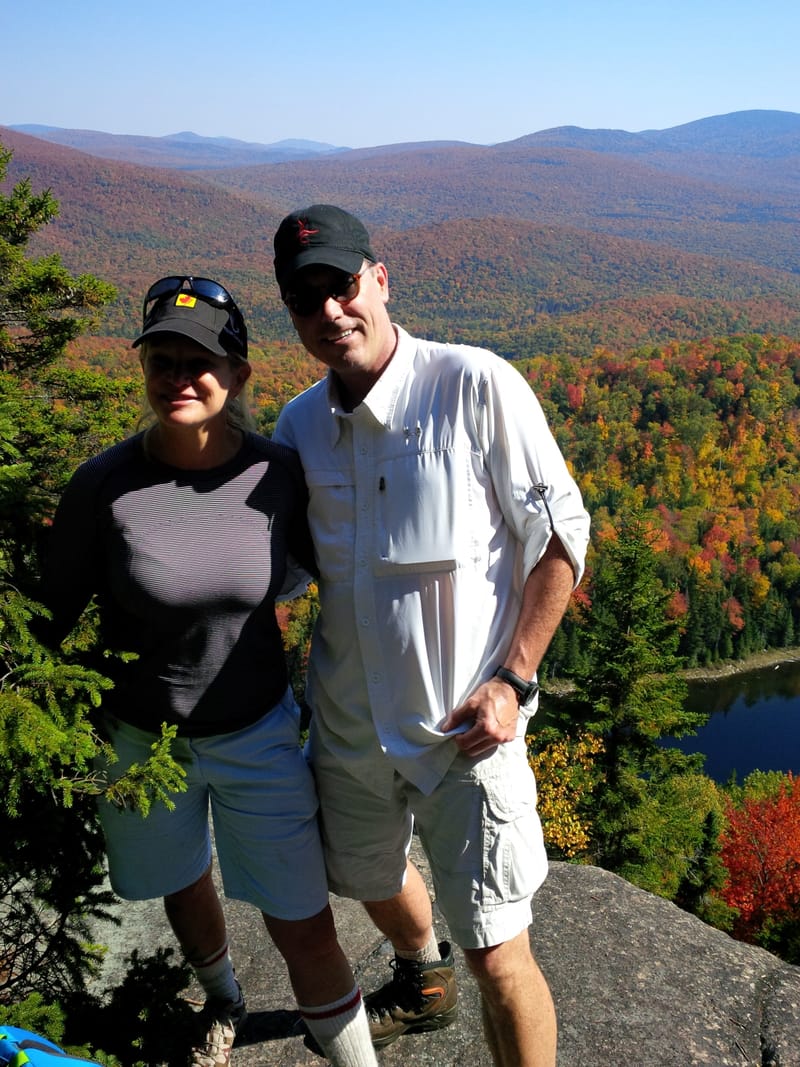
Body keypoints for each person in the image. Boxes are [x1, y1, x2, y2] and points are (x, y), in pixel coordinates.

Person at [271, 206, 591, 1067]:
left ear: (380, 278)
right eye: (304, 300)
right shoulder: (298, 427)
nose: (328, 312)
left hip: (466, 736)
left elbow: (563, 535)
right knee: (370, 881)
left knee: (500, 955)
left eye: (340, 285)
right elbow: (279, 567)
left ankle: (460, 976)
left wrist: (515, 679)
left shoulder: (474, 384)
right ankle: (422, 971)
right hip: (348, 735)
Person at [39, 276, 378, 1067]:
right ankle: (223, 997)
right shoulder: (103, 486)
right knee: (182, 878)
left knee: (303, 920)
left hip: (257, 733)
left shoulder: (277, 475)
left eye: (200, 361)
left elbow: (331, 575)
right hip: (139, 741)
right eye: (162, 358)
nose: (178, 378)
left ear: (239, 376)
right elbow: (49, 618)